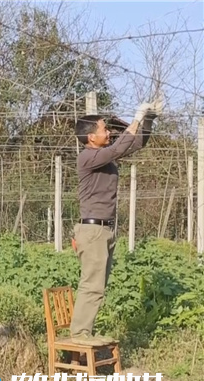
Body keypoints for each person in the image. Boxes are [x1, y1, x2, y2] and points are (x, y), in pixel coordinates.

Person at [69, 97, 162, 346]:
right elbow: (120, 147)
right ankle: (79, 335)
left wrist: (149, 118)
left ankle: (83, 332)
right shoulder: (88, 157)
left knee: (98, 284)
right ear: (91, 137)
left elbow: (135, 144)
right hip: (92, 230)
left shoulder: (104, 158)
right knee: (92, 285)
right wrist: (136, 116)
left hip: (103, 230)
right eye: (104, 129)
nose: (108, 132)